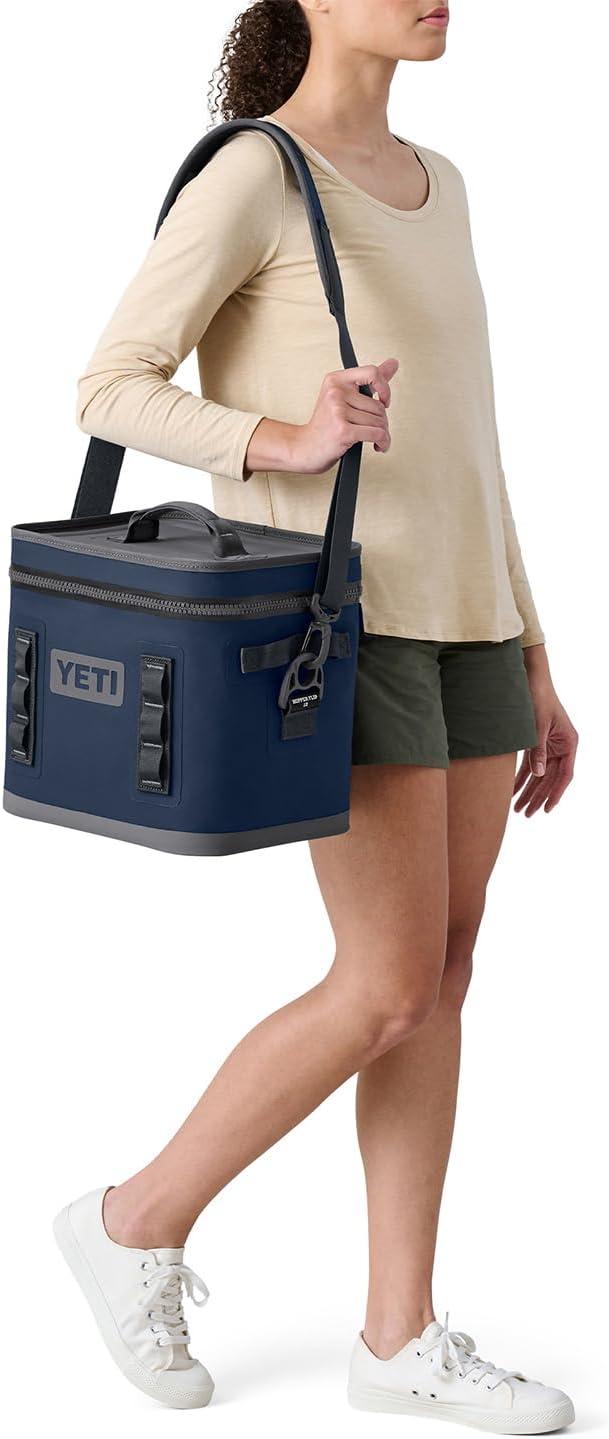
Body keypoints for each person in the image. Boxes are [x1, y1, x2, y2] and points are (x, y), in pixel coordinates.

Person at [54, 1, 578, 1427]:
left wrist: (532, 649)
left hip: (472, 624)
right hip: (336, 628)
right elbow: (109, 384)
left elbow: (470, 445)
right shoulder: (253, 174)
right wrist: (281, 439)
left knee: (442, 979)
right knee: (386, 984)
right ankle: (132, 1220)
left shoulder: (440, 182)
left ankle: (397, 1337)